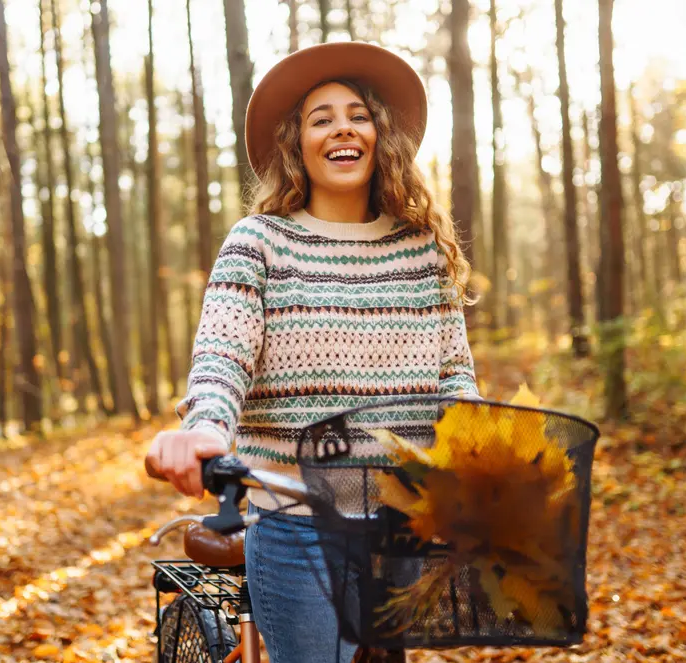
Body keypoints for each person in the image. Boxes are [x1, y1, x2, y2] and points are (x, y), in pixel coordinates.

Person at [145, 41, 479, 663]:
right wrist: (203, 429)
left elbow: (455, 378)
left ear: (381, 135)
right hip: (295, 522)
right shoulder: (259, 243)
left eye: (357, 114)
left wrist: (482, 454)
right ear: (296, 145)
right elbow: (222, 358)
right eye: (320, 119)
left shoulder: (424, 251)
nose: (342, 128)